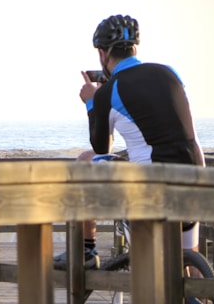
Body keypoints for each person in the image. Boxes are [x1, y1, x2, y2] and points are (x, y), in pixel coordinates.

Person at [54, 14, 205, 270]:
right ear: (134, 48)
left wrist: (93, 101)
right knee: (188, 265)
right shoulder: (169, 73)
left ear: (102, 54)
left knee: (84, 162)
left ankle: (85, 250)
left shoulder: (109, 91)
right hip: (196, 181)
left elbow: (102, 147)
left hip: (154, 189)